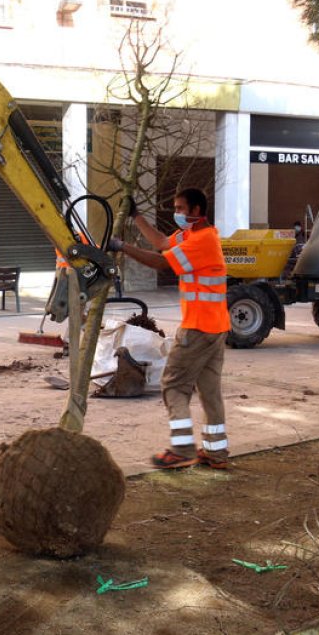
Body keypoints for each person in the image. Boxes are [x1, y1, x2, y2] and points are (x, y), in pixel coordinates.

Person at [108, 188, 231, 469]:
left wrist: (121, 247)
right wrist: (136, 216)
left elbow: (162, 262)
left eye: (180, 208)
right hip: (216, 328)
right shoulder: (191, 236)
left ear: (197, 211)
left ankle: (182, 449)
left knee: (173, 385)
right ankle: (216, 453)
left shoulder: (202, 241)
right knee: (210, 392)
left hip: (198, 328)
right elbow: (162, 242)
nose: (176, 212)